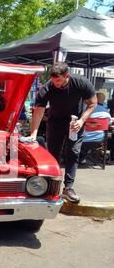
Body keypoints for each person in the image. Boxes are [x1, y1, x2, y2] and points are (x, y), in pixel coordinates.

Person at [27, 62, 97, 203]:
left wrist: (82, 120)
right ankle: (50, 187)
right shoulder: (48, 87)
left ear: (67, 76)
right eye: (53, 80)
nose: (55, 83)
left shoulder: (81, 82)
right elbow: (39, 111)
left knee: (73, 152)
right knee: (53, 155)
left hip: (75, 122)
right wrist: (33, 133)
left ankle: (68, 188)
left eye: (58, 80)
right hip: (55, 122)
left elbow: (92, 103)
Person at [80, 92, 112, 163]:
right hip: (99, 140)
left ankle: (80, 158)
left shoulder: (87, 110)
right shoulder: (106, 113)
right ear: (103, 101)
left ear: (94, 99)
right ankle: (85, 158)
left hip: (83, 139)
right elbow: (108, 125)